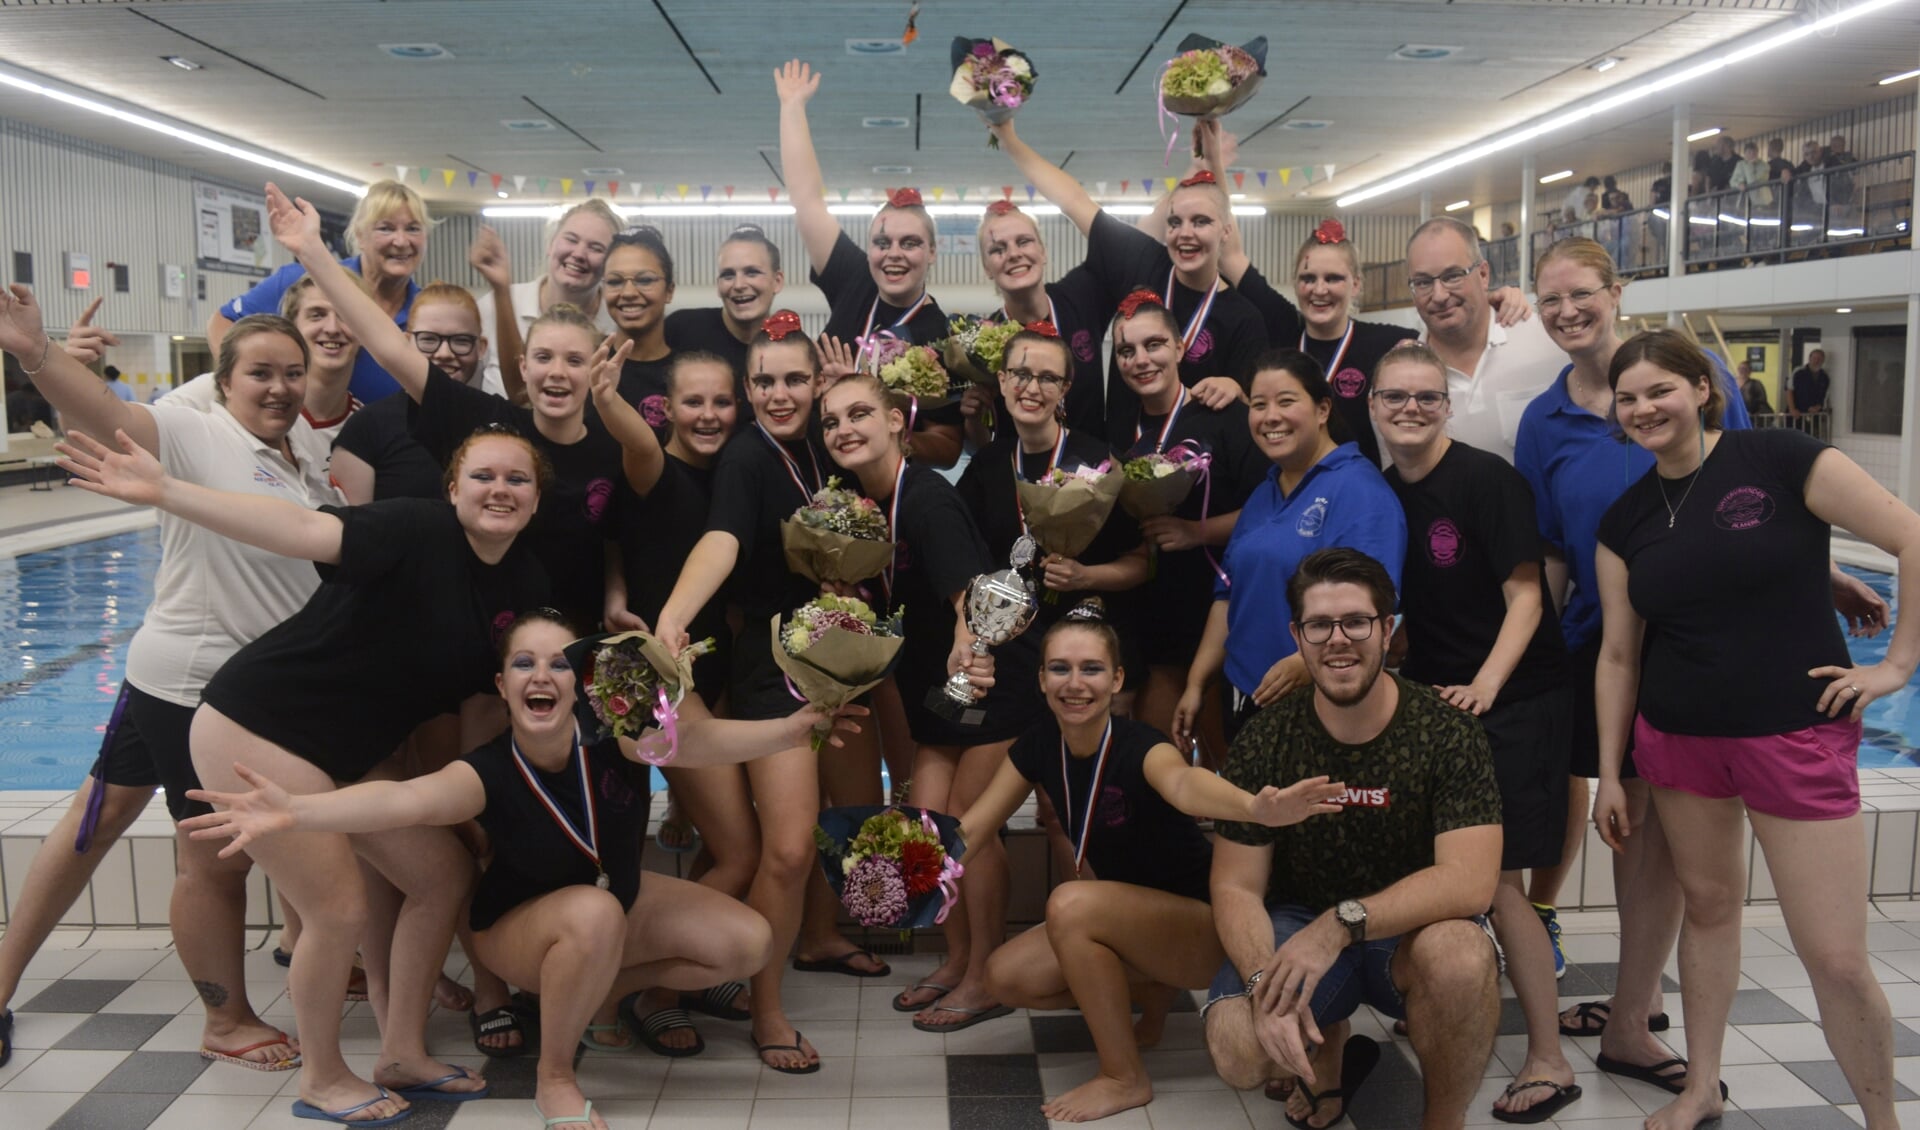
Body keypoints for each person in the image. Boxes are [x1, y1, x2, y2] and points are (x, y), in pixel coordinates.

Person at [182, 611, 859, 1128]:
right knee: (592, 915)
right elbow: (402, 799)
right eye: (525, 664)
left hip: (607, 906)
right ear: (502, 687)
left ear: (581, 682)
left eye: (561, 664)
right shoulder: (485, 772)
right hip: (513, 928)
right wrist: (299, 810)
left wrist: (795, 730)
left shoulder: (618, 738)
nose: (543, 676)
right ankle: (555, 1076)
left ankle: (590, 992)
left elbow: (703, 743)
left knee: (747, 942)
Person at [0, 292, 334, 1078]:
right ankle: (225, 1019)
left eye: (293, 373)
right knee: (214, 863)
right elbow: (110, 415)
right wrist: (35, 353)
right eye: (261, 373)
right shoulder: (192, 429)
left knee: (103, 812)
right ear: (223, 380)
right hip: (194, 689)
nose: (280, 386)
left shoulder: (304, 450)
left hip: (214, 683)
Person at [1592, 329, 1914, 1130]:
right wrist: (1608, 771)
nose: (1643, 408)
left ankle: (1884, 1121)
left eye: (1658, 390)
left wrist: (1897, 668)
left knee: (1835, 958)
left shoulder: (1779, 460)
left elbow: (1912, 537)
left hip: (1794, 735)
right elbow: (1619, 656)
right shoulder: (1625, 518)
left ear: (1701, 388)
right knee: (1708, 912)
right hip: (1678, 741)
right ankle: (1701, 1087)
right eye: (1627, 398)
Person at [953, 601, 1345, 1123]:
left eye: (1091, 669)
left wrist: (1254, 807)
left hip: (1210, 926)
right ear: (1041, 679)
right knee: (1005, 976)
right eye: (1060, 669)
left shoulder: (1142, 743)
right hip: (1137, 923)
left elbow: (1184, 785)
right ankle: (1154, 994)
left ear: (1116, 680)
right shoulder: (1039, 743)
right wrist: (902, 869)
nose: (1075, 683)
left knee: (1071, 904)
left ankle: (1124, 1077)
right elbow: (973, 829)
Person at [1204, 547, 1504, 1130]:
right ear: (1298, 635)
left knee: (1463, 959)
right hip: (1298, 920)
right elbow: (1235, 885)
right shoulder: (1266, 739)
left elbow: (1471, 883)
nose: (1338, 639)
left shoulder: (1447, 731)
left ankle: (1443, 1119)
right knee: (1238, 1048)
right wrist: (1266, 984)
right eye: (1319, 624)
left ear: (1388, 630)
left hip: (1411, 932)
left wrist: (1340, 924)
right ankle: (1329, 1039)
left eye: (1357, 622)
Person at [1372, 344, 1579, 1122]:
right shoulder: (1387, 490)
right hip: (1443, 703)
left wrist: (1486, 687)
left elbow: (1526, 597)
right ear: (1376, 406)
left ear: (1448, 407)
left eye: (1428, 398)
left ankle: (1549, 1057)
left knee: (1495, 885)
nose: (1412, 410)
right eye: (1397, 397)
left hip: (1514, 697)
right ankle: (1447, 994)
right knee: (1442, 867)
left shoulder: (1488, 481)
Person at [268, 182, 620, 633]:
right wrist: (313, 253)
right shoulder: (492, 424)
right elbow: (391, 349)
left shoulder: (613, 446)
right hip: (485, 628)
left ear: (594, 370)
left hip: (574, 631)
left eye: (575, 361)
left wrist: (617, 595)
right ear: (521, 367)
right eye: (544, 358)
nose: (557, 373)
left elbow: (618, 538)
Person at [817, 371, 1017, 1033]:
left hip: (986, 672)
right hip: (939, 683)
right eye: (831, 421)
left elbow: (973, 594)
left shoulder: (924, 498)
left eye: (858, 414)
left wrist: (970, 648)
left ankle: (986, 974)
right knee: (929, 825)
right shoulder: (856, 505)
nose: (844, 429)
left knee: (968, 827)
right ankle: (958, 960)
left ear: (898, 421)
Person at [587, 346, 757, 1053]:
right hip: (662, 679)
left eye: (722, 401)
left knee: (711, 839)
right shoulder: (657, 467)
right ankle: (640, 987)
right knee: (741, 850)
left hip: (713, 673)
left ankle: (685, 966)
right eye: (694, 402)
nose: (710, 415)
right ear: (668, 408)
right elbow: (632, 440)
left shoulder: (741, 474)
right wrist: (605, 399)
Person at [1175, 350, 1406, 748]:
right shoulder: (1266, 492)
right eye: (1259, 404)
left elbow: (1375, 609)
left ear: (1322, 409)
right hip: (1250, 699)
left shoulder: (1358, 490)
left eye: (1286, 401)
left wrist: (1305, 662)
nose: (1270, 417)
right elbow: (1228, 596)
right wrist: (1197, 683)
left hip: (1327, 705)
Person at [992, 116, 1268, 418]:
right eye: (1175, 222)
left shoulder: (1244, 318)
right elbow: (1073, 200)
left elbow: (1255, 411)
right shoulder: (1144, 264)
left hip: (1195, 461)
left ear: (1225, 231)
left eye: (1201, 222)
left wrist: (1238, 389)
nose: (1186, 233)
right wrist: (1009, 138)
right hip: (1120, 456)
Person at [1104, 293, 1268, 761]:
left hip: (1222, 610)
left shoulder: (1224, 415)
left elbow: (1271, 511)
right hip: (1152, 616)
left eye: (1154, 344)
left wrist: (1197, 532)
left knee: (1231, 763)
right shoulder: (1116, 428)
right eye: (1126, 350)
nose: (1141, 359)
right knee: (1162, 763)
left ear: (1180, 347)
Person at [774, 60, 962, 468]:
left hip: (880, 490)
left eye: (910, 243)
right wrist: (792, 108)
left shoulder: (944, 337)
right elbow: (807, 201)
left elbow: (948, 449)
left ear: (932, 251)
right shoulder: (854, 278)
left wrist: (871, 404)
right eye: (882, 242)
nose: (893, 253)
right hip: (811, 466)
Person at [209, 179, 431, 403]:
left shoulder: (428, 313)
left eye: (413, 229)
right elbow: (223, 321)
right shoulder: (303, 281)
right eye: (386, 228)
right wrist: (242, 386)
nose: (401, 241)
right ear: (360, 236)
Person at [1406, 216, 1568, 465]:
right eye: (1423, 282)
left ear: (1483, 274)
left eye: (1452, 276)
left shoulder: (1548, 341)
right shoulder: (1403, 378)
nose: (1439, 295)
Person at [963, 200, 1117, 442]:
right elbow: (981, 446)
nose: (1013, 254)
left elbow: (1128, 248)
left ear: (1043, 251)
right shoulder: (980, 343)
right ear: (987, 268)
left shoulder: (1081, 296)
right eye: (997, 249)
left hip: (1093, 469)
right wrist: (973, 418)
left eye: (1023, 241)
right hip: (1019, 475)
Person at [329, 282, 485, 504]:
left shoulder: (499, 424)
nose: (444, 353)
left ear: (482, 347)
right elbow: (351, 531)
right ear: (406, 342)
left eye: (461, 341)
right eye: (428, 340)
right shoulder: (366, 428)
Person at [472, 199, 620, 393]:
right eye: (571, 239)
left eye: (596, 248)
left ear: (611, 262)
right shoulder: (492, 306)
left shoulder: (618, 324)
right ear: (550, 245)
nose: (579, 254)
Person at [665, 224, 785, 384]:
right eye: (728, 275)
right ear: (718, 285)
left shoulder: (789, 347)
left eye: (752, 272)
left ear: (777, 281)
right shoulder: (681, 330)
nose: (739, 285)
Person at [599, 226, 680, 429]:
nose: (628, 292)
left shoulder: (685, 373)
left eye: (644, 280)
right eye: (615, 281)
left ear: (669, 291)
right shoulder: (587, 364)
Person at [1790, 348, 1831, 416]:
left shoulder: (1824, 377)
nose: (1816, 361)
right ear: (1809, 358)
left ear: (1823, 360)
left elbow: (1824, 395)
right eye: (1814, 358)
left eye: (1819, 358)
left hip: (1815, 414)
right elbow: (1789, 390)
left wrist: (1818, 406)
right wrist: (1792, 409)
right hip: (1797, 413)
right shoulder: (1798, 372)